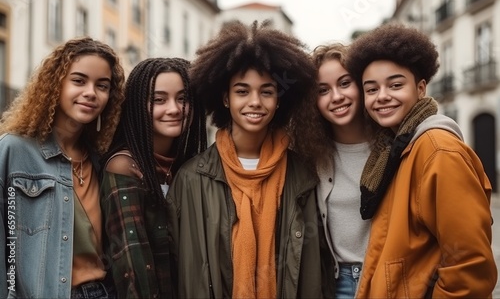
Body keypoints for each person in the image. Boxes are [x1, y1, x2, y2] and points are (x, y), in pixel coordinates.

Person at [166, 20, 334, 298]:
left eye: (266, 91)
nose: (255, 101)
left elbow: (318, 266)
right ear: (225, 98)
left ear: (278, 100)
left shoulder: (303, 174)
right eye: (242, 91)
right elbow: (180, 267)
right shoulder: (191, 178)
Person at [344, 22, 497, 298]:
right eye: (371, 89)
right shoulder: (396, 148)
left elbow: (470, 267)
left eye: (395, 84)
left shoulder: (437, 150)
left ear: (421, 88)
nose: (383, 97)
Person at [0, 37, 125, 298]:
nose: (91, 92)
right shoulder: (13, 150)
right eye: (79, 81)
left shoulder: (102, 161)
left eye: (102, 86)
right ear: (55, 85)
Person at [100, 57, 207, 298]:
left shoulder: (189, 166)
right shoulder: (124, 166)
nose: (174, 108)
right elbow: (133, 266)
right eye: (159, 100)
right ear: (139, 105)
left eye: (183, 98)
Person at [311, 43, 372, 298]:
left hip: (388, 276)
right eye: (323, 90)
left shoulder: (396, 146)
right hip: (338, 284)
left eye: (345, 83)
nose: (336, 96)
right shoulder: (309, 155)